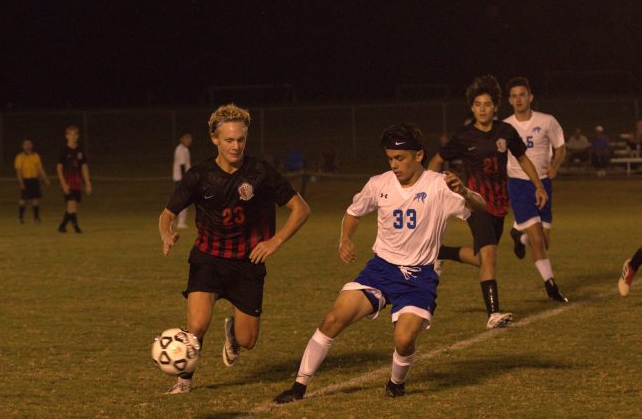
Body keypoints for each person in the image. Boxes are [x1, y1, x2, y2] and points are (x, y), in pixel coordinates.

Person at [273, 124, 486, 403]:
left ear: (419, 155)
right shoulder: (379, 184)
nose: (394, 165)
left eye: (401, 158)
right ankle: (299, 387)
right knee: (333, 319)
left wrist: (466, 192)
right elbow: (353, 212)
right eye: (390, 159)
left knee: (404, 339)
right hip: (380, 270)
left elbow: (480, 207)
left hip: (418, 277)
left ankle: (396, 383)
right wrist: (345, 239)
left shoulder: (439, 186)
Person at [159, 104, 310, 394]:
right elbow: (166, 214)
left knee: (248, 340)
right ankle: (184, 382)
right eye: (229, 140)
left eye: (241, 139)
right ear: (215, 139)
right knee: (198, 325)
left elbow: (301, 209)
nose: (236, 145)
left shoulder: (260, 172)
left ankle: (232, 331)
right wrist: (166, 234)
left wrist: (275, 241)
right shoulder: (199, 175)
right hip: (208, 259)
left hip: (247, 263)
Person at [428, 75, 548, 329]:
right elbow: (437, 160)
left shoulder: (506, 132)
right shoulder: (463, 136)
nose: (483, 109)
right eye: (478, 105)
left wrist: (538, 185)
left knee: (484, 259)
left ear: (495, 108)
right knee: (491, 256)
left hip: (500, 203)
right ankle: (493, 314)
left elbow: (524, 159)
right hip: (476, 203)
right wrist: (432, 187)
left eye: (487, 104)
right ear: (472, 108)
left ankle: (443, 252)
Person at [503, 77, 568, 303]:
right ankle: (551, 285)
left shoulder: (547, 121)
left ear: (530, 97)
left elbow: (560, 147)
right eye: (514, 96)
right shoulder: (505, 126)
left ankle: (519, 236)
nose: (518, 99)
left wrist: (555, 166)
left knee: (544, 241)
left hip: (543, 183)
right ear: (510, 101)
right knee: (538, 242)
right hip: (519, 184)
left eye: (522, 94)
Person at [56, 125, 92, 233]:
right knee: (72, 205)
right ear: (66, 136)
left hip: (77, 182)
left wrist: (88, 183)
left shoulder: (80, 151)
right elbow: (59, 168)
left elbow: (84, 167)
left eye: (75, 134)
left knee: (73, 206)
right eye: (70, 134)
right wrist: (63, 184)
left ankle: (62, 226)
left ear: (77, 136)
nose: (72, 137)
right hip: (68, 182)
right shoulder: (64, 150)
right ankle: (76, 227)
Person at [14, 139, 50, 223]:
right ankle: (20, 218)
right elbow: (18, 171)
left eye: (29, 144)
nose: (27, 146)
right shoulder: (20, 157)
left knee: (35, 199)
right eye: (26, 144)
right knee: (23, 200)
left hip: (34, 179)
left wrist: (45, 179)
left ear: (32, 146)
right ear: (23, 146)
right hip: (25, 180)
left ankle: (36, 218)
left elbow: (40, 169)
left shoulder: (35, 156)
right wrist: (21, 182)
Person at [172, 132, 193, 229]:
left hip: (179, 178)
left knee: (179, 201)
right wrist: (185, 179)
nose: (189, 140)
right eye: (186, 138)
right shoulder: (181, 150)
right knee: (183, 201)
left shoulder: (184, 149)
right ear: (181, 139)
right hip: (180, 179)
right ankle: (180, 222)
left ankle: (172, 221)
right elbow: (182, 165)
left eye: (189, 138)